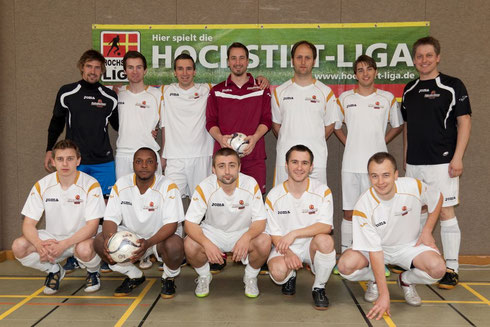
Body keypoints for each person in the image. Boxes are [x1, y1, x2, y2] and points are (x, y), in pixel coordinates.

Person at [337, 152, 446, 320]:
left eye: (386, 175)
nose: (380, 182)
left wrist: (427, 230)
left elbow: (437, 197)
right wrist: (384, 294)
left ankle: (406, 280)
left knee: (438, 269)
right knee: (345, 266)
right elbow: (375, 251)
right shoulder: (363, 206)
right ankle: (373, 278)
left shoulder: (413, 186)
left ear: (396, 175)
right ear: (369, 177)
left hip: (409, 246)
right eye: (375, 176)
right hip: (377, 248)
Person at [402, 36, 471, 289]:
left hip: (443, 162)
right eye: (419, 56)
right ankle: (419, 260)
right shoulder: (409, 90)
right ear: (414, 60)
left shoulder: (453, 86)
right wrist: (406, 158)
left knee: (444, 211)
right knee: (417, 212)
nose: (424, 60)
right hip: (414, 163)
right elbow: (409, 127)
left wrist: (458, 157)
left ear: (438, 57)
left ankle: (451, 267)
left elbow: (464, 121)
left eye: (429, 55)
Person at [12, 139, 105, 295]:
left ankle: (93, 272)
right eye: (60, 159)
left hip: (82, 238)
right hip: (53, 239)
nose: (65, 164)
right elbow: (28, 224)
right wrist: (39, 244)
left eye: (70, 159)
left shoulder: (91, 184)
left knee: (84, 249)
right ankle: (54, 270)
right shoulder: (42, 185)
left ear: (78, 161)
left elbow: (92, 226)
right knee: (19, 246)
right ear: (53, 162)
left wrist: (64, 244)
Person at [334, 54, 404, 254]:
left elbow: (397, 126)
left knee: (377, 212)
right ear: (355, 75)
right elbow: (337, 127)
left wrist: (382, 142)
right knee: (349, 212)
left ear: (376, 72)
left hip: (377, 169)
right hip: (350, 165)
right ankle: (346, 255)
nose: (365, 73)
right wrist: (350, 143)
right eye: (360, 70)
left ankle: (377, 256)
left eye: (369, 69)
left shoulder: (387, 98)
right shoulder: (345, 98)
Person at [94, 147, 185, 298]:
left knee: (174, 246)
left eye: (149, 161)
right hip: (131, 236)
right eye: (139, 161)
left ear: (156, 165)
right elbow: (110, 219)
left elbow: (171, 225)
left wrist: (148, 243)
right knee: (99, 241)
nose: (144, 165)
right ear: (133, 164)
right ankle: (133, 275)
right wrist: (110, 239)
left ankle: (169, 277)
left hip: (158, 238)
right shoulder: (121, 184)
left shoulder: (168, 186)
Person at [184, 148, 271, 298]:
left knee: (264, 241)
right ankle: (204, 276)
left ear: (239, 167)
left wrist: (247, 237)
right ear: (213, 169)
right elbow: (190, 224)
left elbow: (260, 221)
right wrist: (206, 243)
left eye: (232, 165)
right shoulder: (205, 186)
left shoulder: (250, 184)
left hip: (242, 231)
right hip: (213, 232)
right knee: (189, 243)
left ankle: (250, 277)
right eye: (221, 166)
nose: (227, 171)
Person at [265, 145, 336, 310]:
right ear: (286, 165)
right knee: (277, 271)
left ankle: (319, 287)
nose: (299, 167)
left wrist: (294, 234)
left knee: (326, 242)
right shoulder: (274, 195)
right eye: (294, 162)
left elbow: (326, 226)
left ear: (311, 167)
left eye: (304, 163)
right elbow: (274, 234)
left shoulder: (322, 191)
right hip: (284, 246)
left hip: (312, 245)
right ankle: (290, 275)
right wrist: (288, 252)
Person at [44, 49, 119, 197]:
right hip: (75, 161)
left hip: (103, 161)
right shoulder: (67, 92)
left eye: (97, 67)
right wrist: (48, 150)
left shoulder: (110, 97)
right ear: (82, 67)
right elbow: (56, 123)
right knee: (74, 204)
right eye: (89, 66)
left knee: (105, 205)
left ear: (102, 70)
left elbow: (119, 126)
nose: (93, 71)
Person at [206, 42, 272, 195]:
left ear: (248, 61)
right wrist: (221, 138)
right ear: (228, 62)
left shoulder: (261, 89)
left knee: (254, 203)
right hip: (225, 158)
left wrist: (254, 138)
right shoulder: (217, 90)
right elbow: (210, 121)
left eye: (242, 58)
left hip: (254, 156)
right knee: (223, 203)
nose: (238, 62)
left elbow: (266, 120)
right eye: (233, 58)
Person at [272, 40, 340, 186]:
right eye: (299, 57)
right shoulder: (279, 92)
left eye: (308, 58)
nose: (303, 62)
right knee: (283, 204)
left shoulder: (326, 92)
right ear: (292, 60)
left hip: (316, 161)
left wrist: (313, 139)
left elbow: (329, 126)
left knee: (316, 205)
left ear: (314, 61)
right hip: (285, 161)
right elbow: (277, 126)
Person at [160, 53, 214, 200]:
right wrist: (163, 155)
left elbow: (235, 83)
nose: (185, 73)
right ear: (175, 72)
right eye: (180, 69)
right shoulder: (165, 91)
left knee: (202, 203)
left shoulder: (207, 89)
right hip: (174, 158)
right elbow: (164, 126)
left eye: (189, 69)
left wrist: (258, 79)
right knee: (170, 203)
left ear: (195, 71)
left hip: (201, 156)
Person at [115, 51, 162, 181]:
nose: (135, 71)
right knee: (124, 198)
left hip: (149, 154)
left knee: (153, 198)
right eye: (130, 67)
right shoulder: (117, 93)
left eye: (139, 67)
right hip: (124, 154)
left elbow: (167, 126)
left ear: (145, 70)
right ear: (124, 71)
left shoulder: (157, 95)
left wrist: (164, 155)